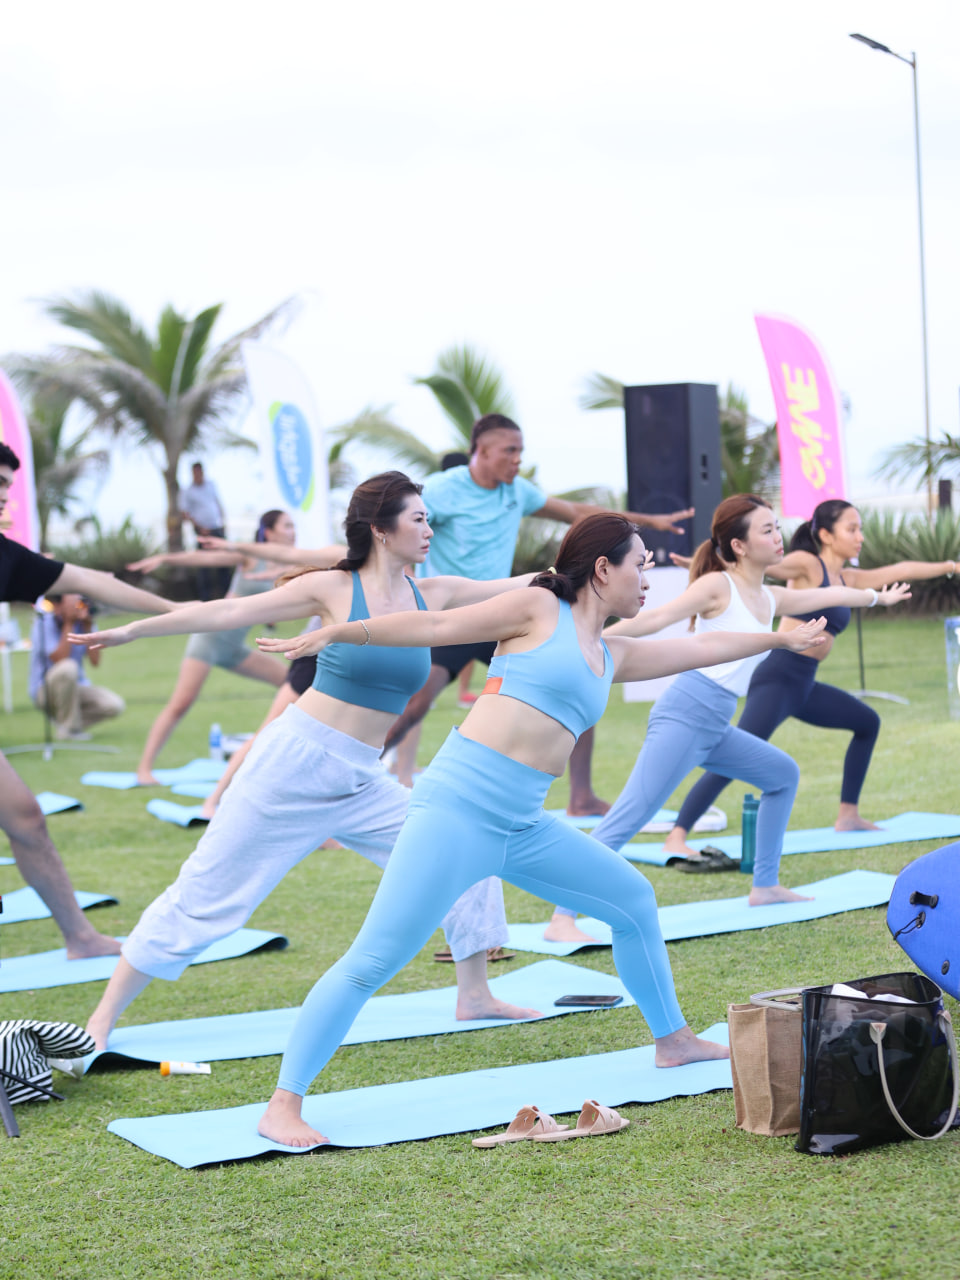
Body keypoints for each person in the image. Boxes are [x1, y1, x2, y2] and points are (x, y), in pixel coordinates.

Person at [250, 512, 831, 1147]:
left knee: (633, 900)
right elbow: (437, 625)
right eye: (640, 565)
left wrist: (778, 641)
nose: (649, 580)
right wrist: (339, 632)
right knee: (373, 960)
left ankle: (674, 1040)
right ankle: (283, 1104)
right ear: (603, 568)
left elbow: (700, 647)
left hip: (524, 823)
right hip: (456, 812)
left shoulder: (610, 652)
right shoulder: (536, 609)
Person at [72, 472, 547, 1051]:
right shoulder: (332, 587)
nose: (430, 528)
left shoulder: (435, 593)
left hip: (362, 777)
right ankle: (99, 1023)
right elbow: (226, 614)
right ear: (380, 529)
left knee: (465, 845)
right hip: (294, 766)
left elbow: (523, 584)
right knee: (205, 897)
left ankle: (475, 995)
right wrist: (136, 630)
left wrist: (586, 562)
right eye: (418, 519)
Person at [572, 495, 908, 901]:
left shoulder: (769, 597)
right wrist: (589, 639)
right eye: (767, 530)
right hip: (687, 713)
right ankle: (562, 916)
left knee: (782, 775)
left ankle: (765, 885)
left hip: (716, 721)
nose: (778, 537)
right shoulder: (719, 585)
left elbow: (829, 596)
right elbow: (659, 618)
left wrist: (879, 598)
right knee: (629, 817)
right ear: (739, 545)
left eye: (777, 527)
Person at [382, 413, 695, 816]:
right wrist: (401, 583)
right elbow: (405, 532)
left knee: (579, 684)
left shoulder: (517, 491)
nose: (517, 460)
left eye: (521, 452)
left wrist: (647, 522)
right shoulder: (443, 491)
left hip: (508, 616)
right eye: (509, 452)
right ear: (481, 451)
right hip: (459, 616)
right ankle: (352, 782)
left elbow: (572, 511)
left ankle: (580, 797)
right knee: (416, 705)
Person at [660, 498, 956, 860]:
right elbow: (756, 564)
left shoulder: (849, 578)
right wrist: (704, 564)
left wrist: (949, 565)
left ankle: (848, 814)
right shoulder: (806, 564)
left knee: (867, 722)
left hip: (804, 683)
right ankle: (677, 834)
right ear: (827, 535)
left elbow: (903, 568)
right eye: (852, 529)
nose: (860, 536)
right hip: (778, 676)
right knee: (735, 758)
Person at [0, 442, 180, 959]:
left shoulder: (6, 557)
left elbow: (90, 580)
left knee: (27, 820)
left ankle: (80, 937)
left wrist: (176, 609)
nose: (5, 496)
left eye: (8, 486)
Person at [127, 509, 320, 785]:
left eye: (293, 526)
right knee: (180, 704)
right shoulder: (251, 556)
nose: (293, 532)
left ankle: (287, 763)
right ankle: (144, 769)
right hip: (210, 639)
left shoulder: (292, 564)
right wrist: (165, 557)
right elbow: (205, 558)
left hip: (235, 648)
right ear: (269, 531)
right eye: (287, 526)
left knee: (295, 688)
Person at [29, 593, 125, 739]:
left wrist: (88, 628)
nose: (80, 608)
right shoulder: (44, 621)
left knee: (114, 705)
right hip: (45, 689)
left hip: (76, 685)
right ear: (60, 605)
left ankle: (66, 726)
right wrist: (69, 623)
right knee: (68, 667)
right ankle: (69, 730)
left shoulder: (84, 623)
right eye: (75, 604)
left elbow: (95, 661)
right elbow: (59, 658)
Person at [179, 461, 230, 599]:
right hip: (202, 531)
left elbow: (217, 503)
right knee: (204, 565)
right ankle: (205, 598)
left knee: (223, 562)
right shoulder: (188, 491)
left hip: (216, 528)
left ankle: (226, 595)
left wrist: (223, 522)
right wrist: (200, 528)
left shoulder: (211, 485)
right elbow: (185, 513)